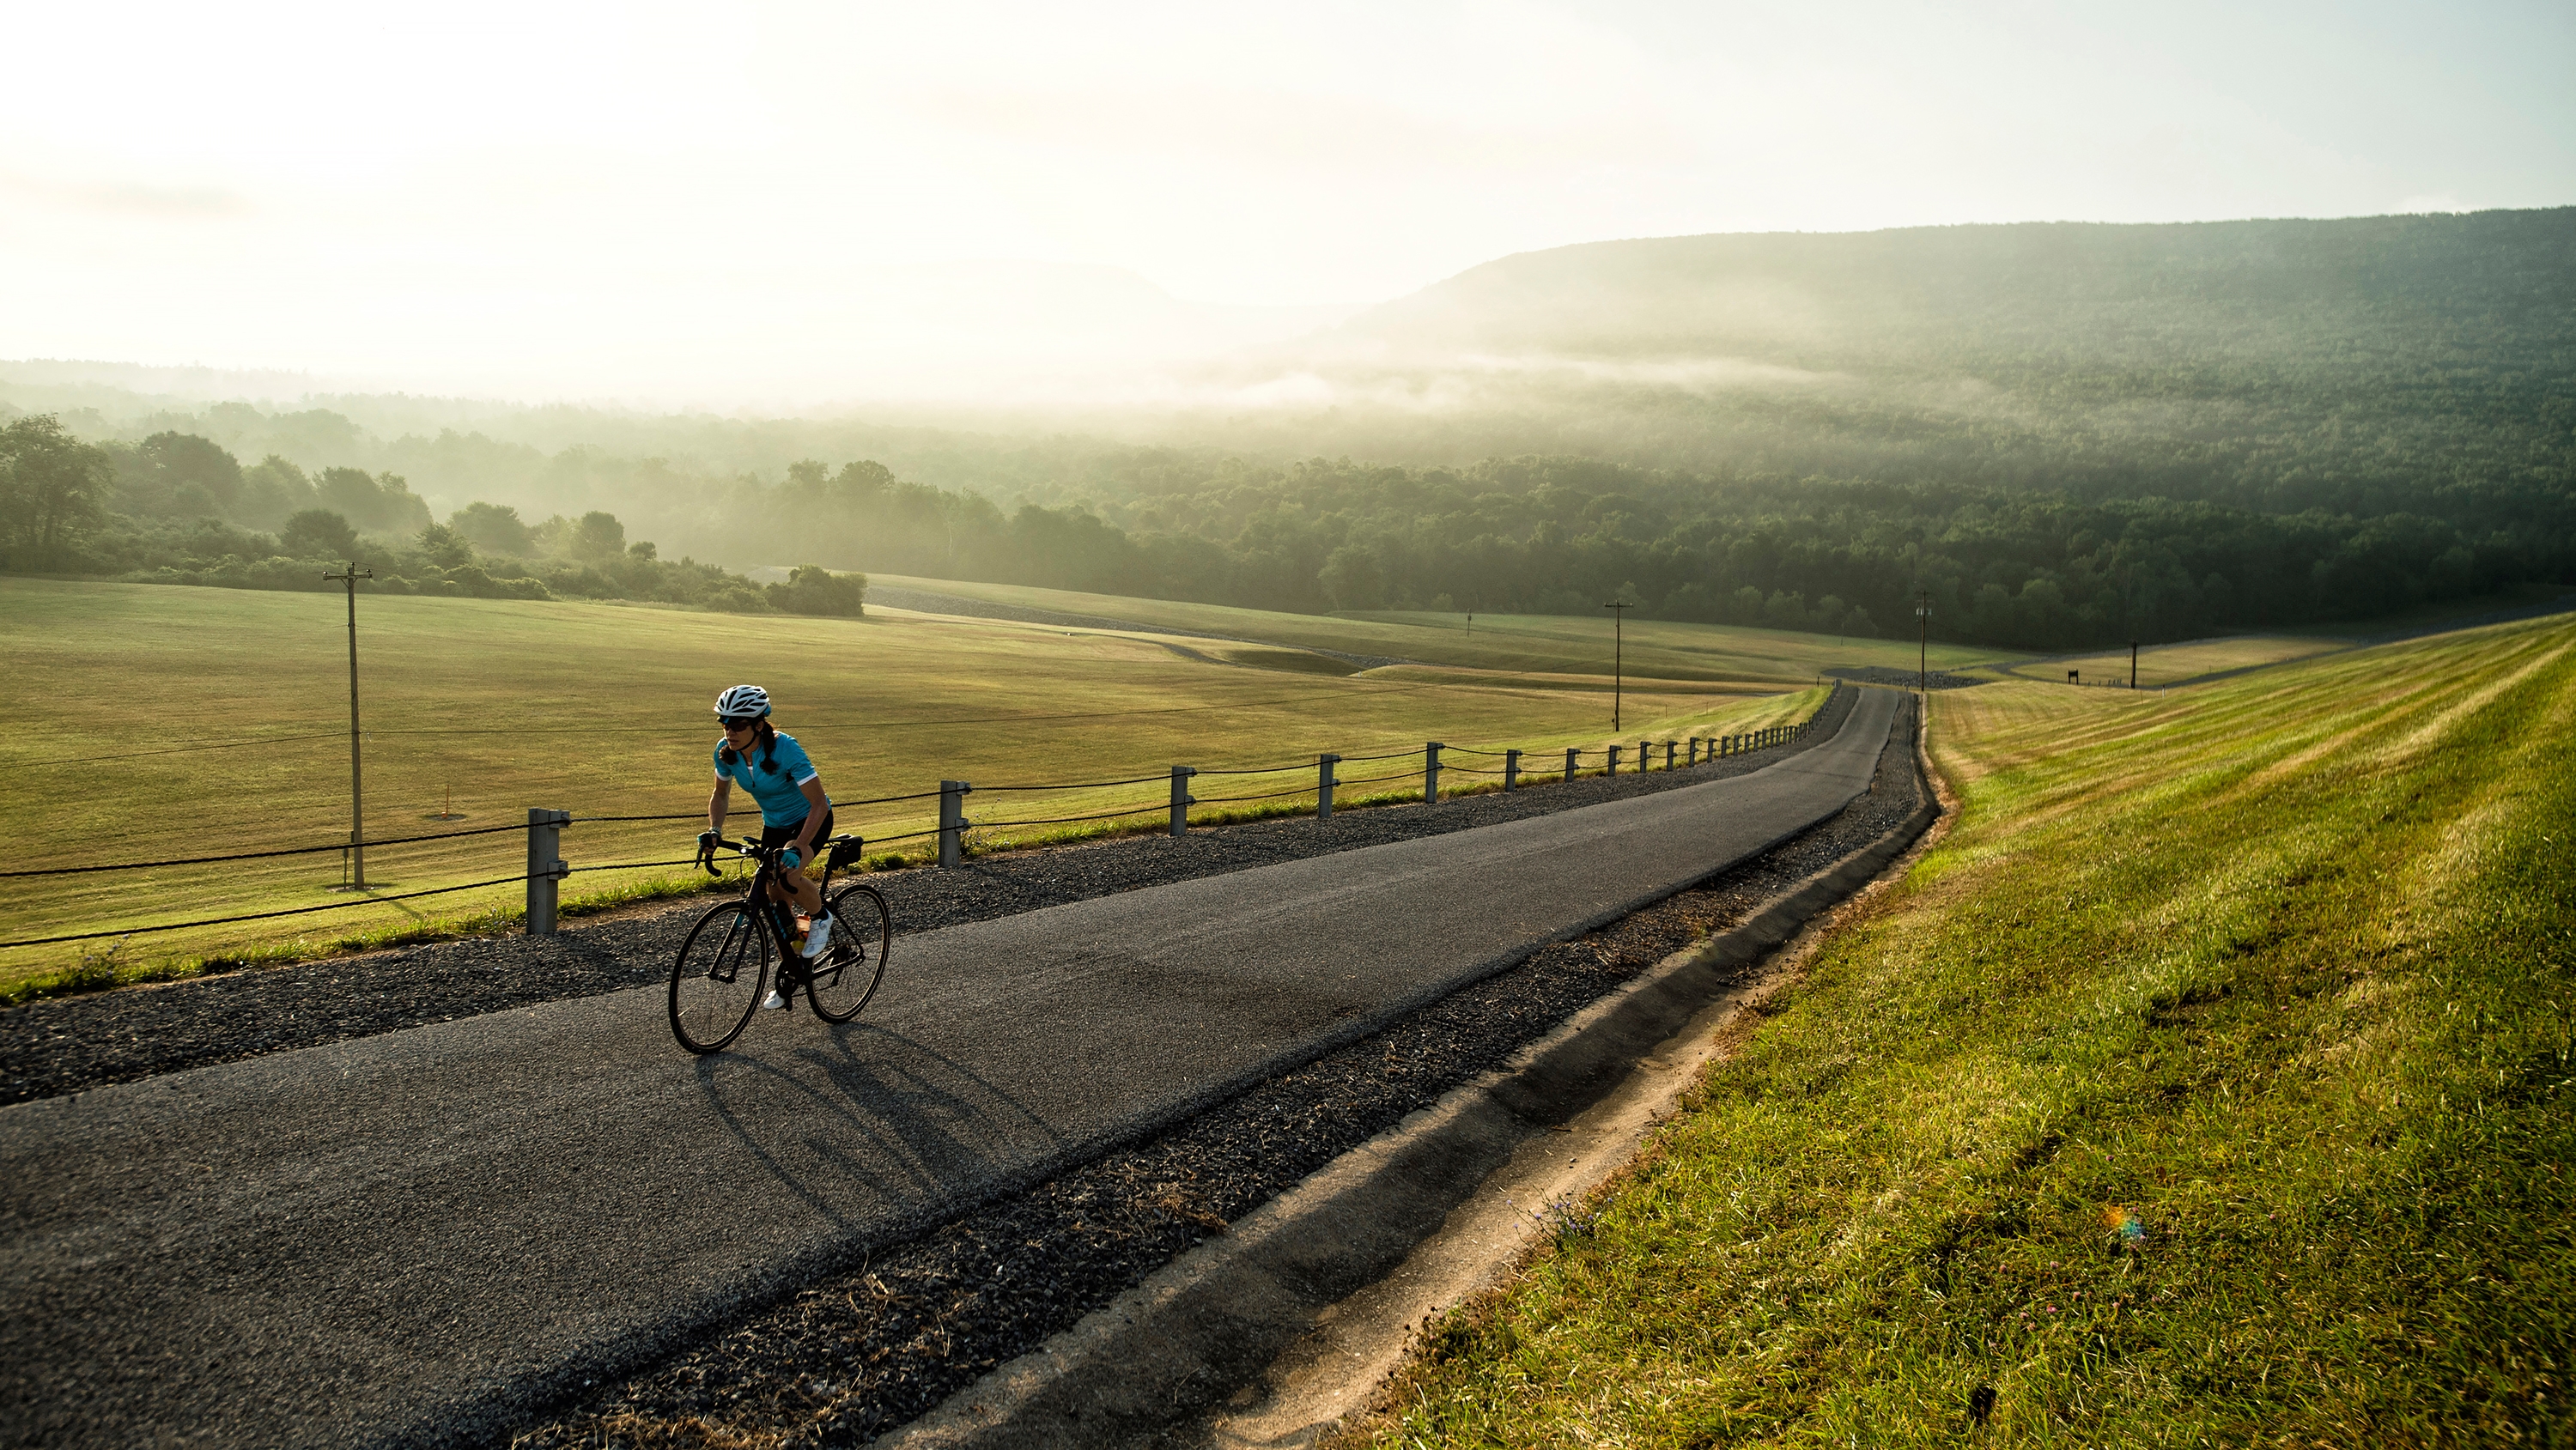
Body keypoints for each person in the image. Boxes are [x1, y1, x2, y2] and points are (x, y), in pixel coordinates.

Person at [702, 684, 834, 1009]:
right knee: (775, 902)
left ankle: (821, 915)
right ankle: (794, 965)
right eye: (724, 722)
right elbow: (720, 795)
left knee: (786, 875)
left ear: (759, 724)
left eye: (738, 724)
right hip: (774, 825)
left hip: (810, 819)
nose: (729, 730)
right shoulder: (726, 752)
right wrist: (714, 830)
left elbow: (818, 804)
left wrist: (799, 845)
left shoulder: (786, 749)